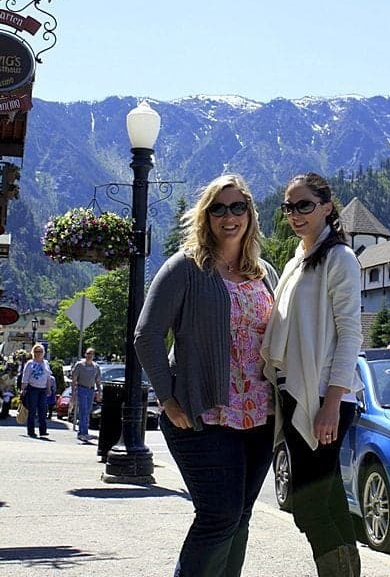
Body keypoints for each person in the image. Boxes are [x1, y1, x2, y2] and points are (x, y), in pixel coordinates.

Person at [135, 173, 279, 577]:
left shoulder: (264, 272)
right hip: (203, 415)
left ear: (250, 214)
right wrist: (167, 398)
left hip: (260, 416)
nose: (229, 216)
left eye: (238, 207)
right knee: (218, 516)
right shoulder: (186, 267)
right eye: (218, 208)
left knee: (241, 517)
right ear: (206, 216)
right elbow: (146, 335)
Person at [262, 172, 363, 577]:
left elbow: (351, 333)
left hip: (323, 395)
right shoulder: (297, 260)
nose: (295, 214)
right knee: (328, 500)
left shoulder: (339, 258)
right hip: (295, 391)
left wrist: (332, 404)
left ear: (326, 206)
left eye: (304, 205)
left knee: (307, 504)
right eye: (289, 206)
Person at [21, 344, 53, 438]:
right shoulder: (30, 363)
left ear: (43, 353)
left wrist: (48, 388)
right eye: (36, 351)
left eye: (40, 352)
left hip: (43, 389)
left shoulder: (46, 363)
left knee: (43, 410)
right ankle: (31, 431)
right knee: (32, 410)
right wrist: (23, 389)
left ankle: (43, 430)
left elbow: (48, 377)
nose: (38, 354)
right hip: (32, 388)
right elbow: (25, 377)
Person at [71, 347, 102, 442]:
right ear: (85, 354)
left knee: (88, 411)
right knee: (83, 410)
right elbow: (74, 379)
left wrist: (100, 391)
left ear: (93, 356)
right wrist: (73, 392)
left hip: (91, 390)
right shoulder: (80, 365)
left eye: (91, 354)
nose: (89, 356)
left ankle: (85, 432)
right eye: (88, 353)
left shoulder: (96, 367)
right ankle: (81, 433)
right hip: (82, 389)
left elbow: (98, 380)